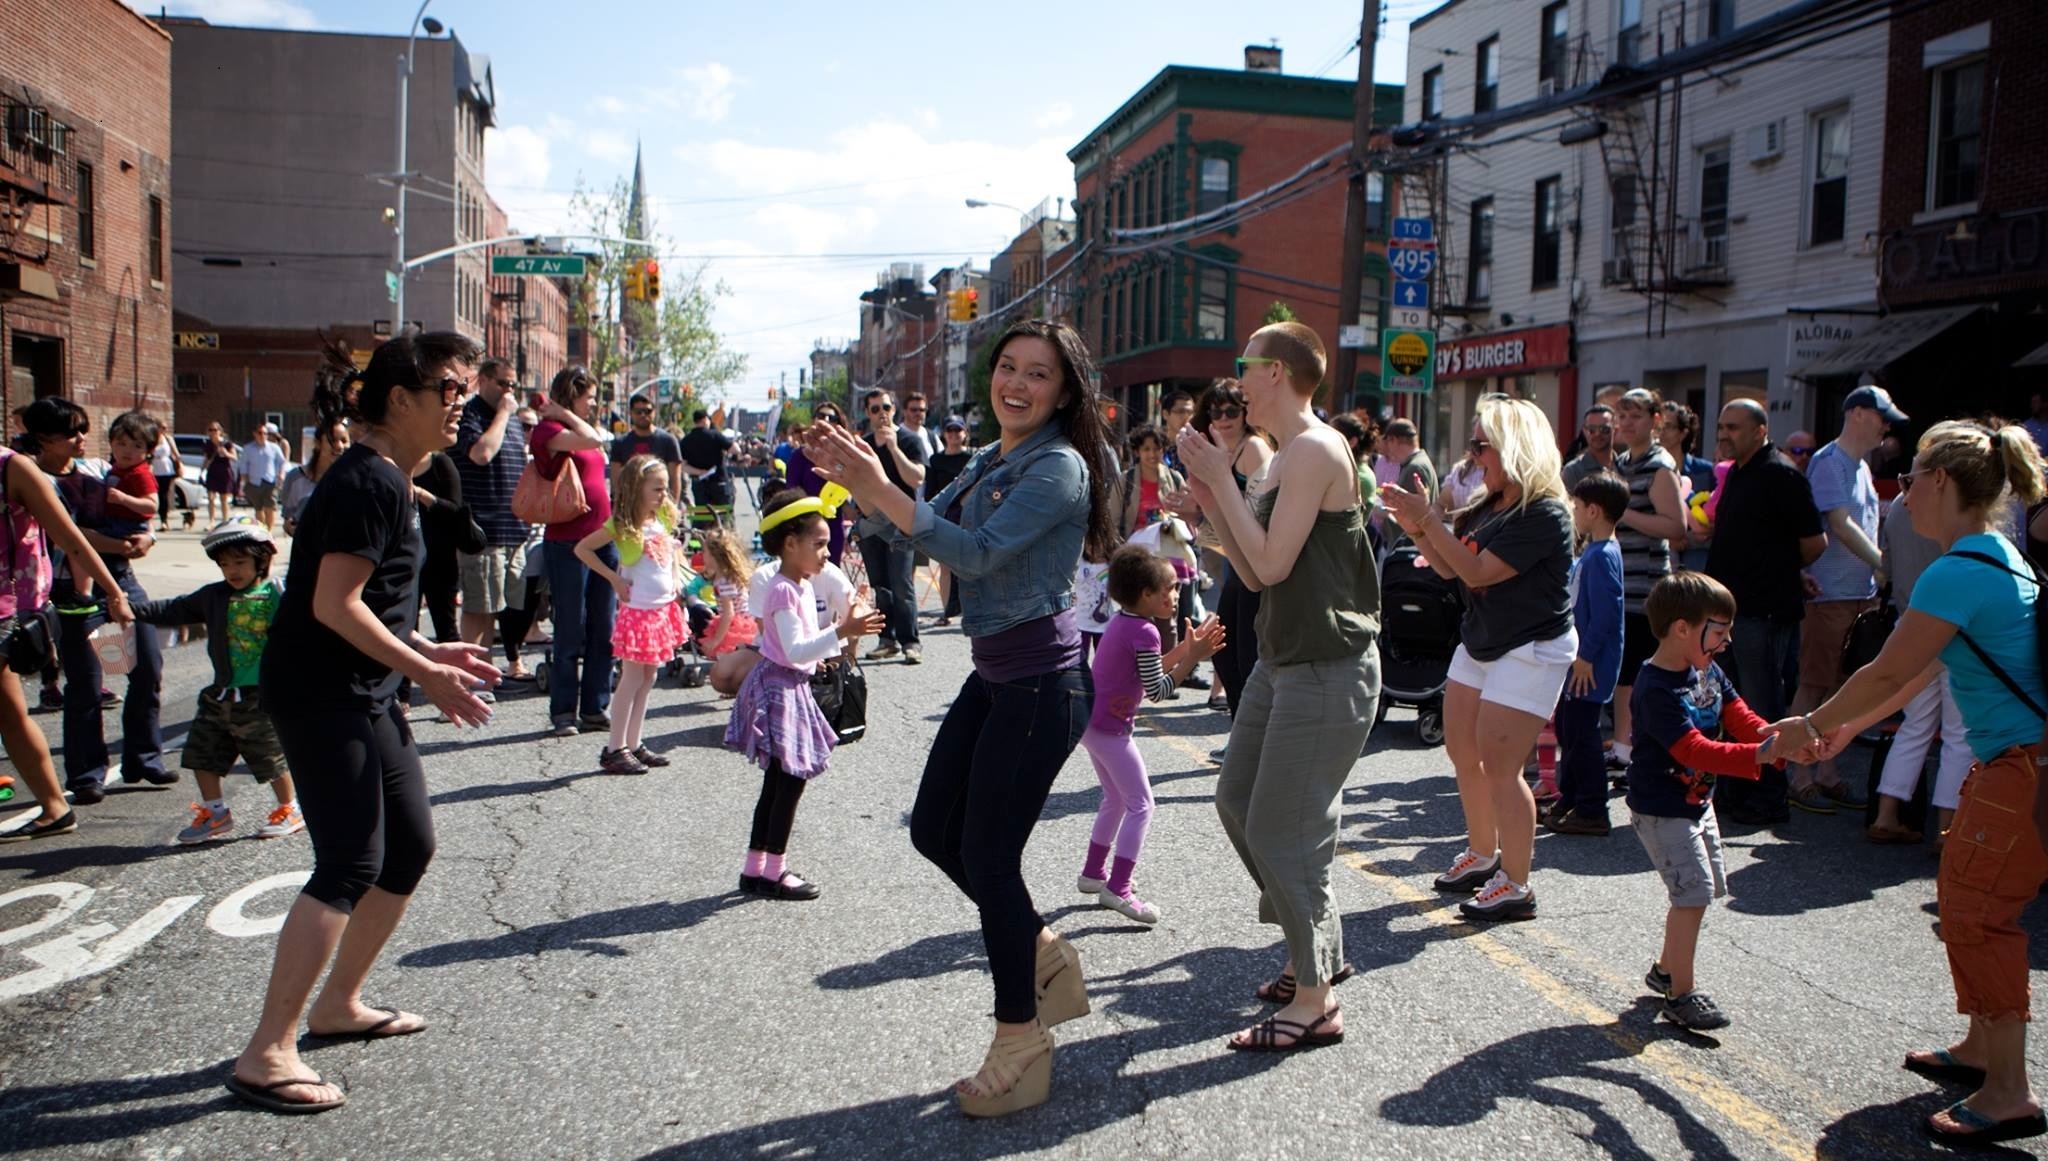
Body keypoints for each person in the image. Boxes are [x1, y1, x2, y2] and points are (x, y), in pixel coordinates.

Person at [802, 318, 1118, 1117]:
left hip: (1043, 684)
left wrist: (878, 484)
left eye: (1038, 373)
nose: (1016, 383)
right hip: (997, 674)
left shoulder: (1061, 467)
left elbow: (972, 553)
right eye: (1008, 366)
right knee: (934, 831)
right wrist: (858, 480)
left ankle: (1021, 1033)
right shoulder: (991, 456)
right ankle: (1041, 948)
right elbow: (915, 522)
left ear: (1065, 392)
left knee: (989, 853)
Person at [229, 329, 500, 1115]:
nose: (461, 405)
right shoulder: (368, 483)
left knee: (408, 845)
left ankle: (338, 1002)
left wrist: (424, 647)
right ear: (400, 399)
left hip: (366, 688)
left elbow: (371, 601)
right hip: (323, 691)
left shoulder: (395, 480)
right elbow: (332, 604)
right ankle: (266, 1051)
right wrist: (428, 672)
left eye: (466, 391)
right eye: (450, 390)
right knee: (350, 861)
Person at [1784, 420, 2048, 1148]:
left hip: (2017, 770)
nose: (1901, 495)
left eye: (1910, 479)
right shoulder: (1997, 556)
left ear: (1939, 481)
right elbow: (1925, 667)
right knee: (1966, 902)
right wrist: (1844, 727)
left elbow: (1888, 670)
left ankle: (2009, 1091)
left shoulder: (1956, 570)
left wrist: (1809, 725)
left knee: (1980, 917)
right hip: (2016, 766)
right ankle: (1981, 1049)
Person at [1179, 321, 1379, 1051]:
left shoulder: (1317, 448)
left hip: (1327, 664)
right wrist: (1210, 496)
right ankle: (1313, 948)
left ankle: (1316, 999)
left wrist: (1220, 482)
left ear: (1276, 372)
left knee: (1282, 828)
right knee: (1237, 800)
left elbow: (1268, 565)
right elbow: (1249, 565)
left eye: (1245, 363)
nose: (1236, 379)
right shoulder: (1285, 455)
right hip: (1282, 658)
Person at [1383, 395, 1575, 921]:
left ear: (1514, 447)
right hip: (1484, 639)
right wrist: (1418, 525)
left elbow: (1477, 572)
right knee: (1463, 751)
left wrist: (1427, 519)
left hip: (1530, 647)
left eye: (1481, 445)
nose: (1472, 455)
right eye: (1472, 444)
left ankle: (1516, 884)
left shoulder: (1545, 512)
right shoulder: (1492, 503)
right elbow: (1449, 568)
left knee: (1501, 766)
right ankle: (1483, 854)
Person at [1627, 572, 1785, 1031]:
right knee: (1692, 895)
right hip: (1663, 810)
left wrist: (1782, 740)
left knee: (1702, 890)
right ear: (1682, 628)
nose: (1727, 641)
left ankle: (1665, 971)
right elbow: (1693, 750)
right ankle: (1681, 995)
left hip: (1696, 803)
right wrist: (1759, 755)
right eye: (1719, 631)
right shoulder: (1655, 688)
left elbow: (1740, 716)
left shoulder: (1706, 670)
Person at [726, 488, 884, 901]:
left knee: (779, 782)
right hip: (782, 688)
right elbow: (795, 650)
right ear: (790, 544)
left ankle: (755, 868)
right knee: (788, 783)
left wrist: (845, 625)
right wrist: (844, 630)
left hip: (787, 684)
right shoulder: (783, 589)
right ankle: (774, 871)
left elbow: (802, 647)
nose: (827, 554)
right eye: (819, 544)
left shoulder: (795, 585)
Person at [22, 398, 172, 800]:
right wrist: (121, 545)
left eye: (83, 429)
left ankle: (144, 758)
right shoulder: (31, 478)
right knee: (87, 684)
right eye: (70, 432)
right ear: (43, 438)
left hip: (120, 580)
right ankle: (87, 774)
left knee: (144, 666)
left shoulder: (96, 470)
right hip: (73, 590)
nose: (80, 438)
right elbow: (69, 536)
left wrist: (147, 538)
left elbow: (139, 514)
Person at [1076, 545, 1223, 925]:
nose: (1175, 594)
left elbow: (1149, 669)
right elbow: (1157, 690)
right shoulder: (1145, 631)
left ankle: (1093, 873)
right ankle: (1118, 888)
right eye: (1169, 588)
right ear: (1146, 595)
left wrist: (1186, 649)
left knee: (1114, 798)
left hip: (1092, 723)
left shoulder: (1124, 621)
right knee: (1142, 805)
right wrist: (1192, 658)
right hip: (1111, 729)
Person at [0, 434, 137, 841]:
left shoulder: (12, 468)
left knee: (11, 714)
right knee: (10, 714)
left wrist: (113, 592)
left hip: (7, 610)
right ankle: (55, 808)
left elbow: (70, 537)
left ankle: (56, 806)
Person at [134, 519, 304, 845]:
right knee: (202, 753)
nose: (232, 571)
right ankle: (216, 814)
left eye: (239, 562)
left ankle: (289, 808)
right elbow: (174, 608)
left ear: (261, 560)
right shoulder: (215, 596)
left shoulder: (276, 594)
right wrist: (132, 610)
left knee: (269, 757)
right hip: (222, 694)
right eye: (225, 564)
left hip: (262, 696)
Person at [1700, 400, 1825, 826]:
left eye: (1733, 427)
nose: (1724, 434)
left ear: (1760, 431)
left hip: (1764, 612)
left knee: (1763, 707)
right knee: (1731, 706)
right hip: (1731, 613)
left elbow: (1815, 542)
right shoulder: (1737, 471)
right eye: (1721, 426)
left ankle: (1769, 797)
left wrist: (1786, 572)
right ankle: (1736, 789)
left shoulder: (1781, 473)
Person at [1787, 385, 1902, 813]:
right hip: (1830, 595)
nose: (1886, 427)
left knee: (1842, 687)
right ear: (1856, 414)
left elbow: (1862, 525)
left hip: (1858, 595)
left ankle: (1827, 772)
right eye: (1881, 417)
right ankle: (1799, 776)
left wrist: (1879, 569)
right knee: (1815, 684)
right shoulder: (1829, 461)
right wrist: (1882, 563)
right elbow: (1840, 524)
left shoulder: (1861, 467)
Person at [1867, 488, 1972, 845]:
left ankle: (1887, 814)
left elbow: (1886, 567)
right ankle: (1946, 829)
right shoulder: (1960, 506)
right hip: (1953, 629)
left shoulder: (1901, 503)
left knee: (1914, 726)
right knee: (1958, 734)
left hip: (1908, 623)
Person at [575, 454, 684, 774]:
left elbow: (672, 552)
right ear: (637, 488)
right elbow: (582, 549)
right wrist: (614, 578)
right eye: (657, 489)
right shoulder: (623, 524)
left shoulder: (661, 518)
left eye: (665, 488)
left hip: (660, 608)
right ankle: (614, 748)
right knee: (632, 677)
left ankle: (634, 743)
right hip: (638, 612)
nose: (663, 494)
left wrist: (676, 578)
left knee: (649, 677)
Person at [530, 366, 616, 738]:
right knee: (570, 629)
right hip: (567, 543)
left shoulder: (576, 427)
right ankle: (563, 711)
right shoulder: (549, 431)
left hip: (603, 540)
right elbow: (593, 441)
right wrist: (563, 413)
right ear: (571, 396)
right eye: (589, 397)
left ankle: (595, 708)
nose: (593, 404)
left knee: (604, 628)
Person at [1546, 473, 1628, 836]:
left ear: (1593, 511)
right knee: (1569, 728)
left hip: (1590, 664)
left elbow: (1607, 615)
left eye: (1577, 506)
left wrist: (1587, 656)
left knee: (1581, 733)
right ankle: (1571, 797)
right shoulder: (1596, 551)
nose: (1574, 512)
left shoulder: (1602, 556)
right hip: (1582, 661)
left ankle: (1593, 809)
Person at [1609, 388, 1686, 774]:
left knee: (1638, 674)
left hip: (1647, 590)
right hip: (1620, 586)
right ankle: (1624, 748)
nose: (1626, 423)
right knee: (1623, 675)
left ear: (1655, 421)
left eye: (1635, 416)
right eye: (1622, 416)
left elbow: (1676, 528)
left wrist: (1623, 513)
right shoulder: (1621, 462)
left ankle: (1636, 751)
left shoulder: (1659, 465)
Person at [1188, 380, 1274, 718]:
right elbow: (1219, 524)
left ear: (1245, 413)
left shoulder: (1254, 448)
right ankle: (1242, 726)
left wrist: (1208, 502)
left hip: (1256, 562)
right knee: (1225, 652)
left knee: (1244, 654)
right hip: (1237, 559)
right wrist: (1195, 509)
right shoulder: (1219, 452)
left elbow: (1258, 515)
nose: (1223, 418)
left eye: (1231, 411)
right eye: (1216, 411)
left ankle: (1249, 728)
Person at [452, 357, 534, 681]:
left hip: (513, 529)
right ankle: (472, 678)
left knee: (503, 607)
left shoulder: (511, 419)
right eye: (502, 383)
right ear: (483, 380)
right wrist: (502, 414)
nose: (508, 390)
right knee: (479, 608)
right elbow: (481, 453)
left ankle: (488, 674)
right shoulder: (470, 415)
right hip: (482, 529)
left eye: (512, 384)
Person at [856, 389, 928, 664]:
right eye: (875, 409)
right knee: (881, 586)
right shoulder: (863, 445)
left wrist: (894, 448)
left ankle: (911, 642)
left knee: (901, 584)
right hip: (872, 523)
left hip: (901, 523)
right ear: (867, 413)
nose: (881, 413)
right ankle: (887, 640)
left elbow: (917, 478)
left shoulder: (909, 440)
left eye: (886, 407)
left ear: (894, 409)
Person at [782, 402, 851, 564]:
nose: (825, 420)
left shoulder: (843, 455)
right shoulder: (800, 455)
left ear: (838, 424)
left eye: (831, 418)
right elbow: (792, 492)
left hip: (833, 525)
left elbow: (850, 484)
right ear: (813, 421)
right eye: (821, 416)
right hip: (806, 525)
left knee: (831, 573)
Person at [410, 450, 466, 645]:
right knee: (406, 629)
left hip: (440, 558)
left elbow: (454, 510)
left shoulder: (440, 463)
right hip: (406, 558)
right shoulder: (394, 464)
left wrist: (421, 494)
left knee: (447, 629)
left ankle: (456, 665)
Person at [925, 416, 973, 626]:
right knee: (945, 567)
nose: (954, 434)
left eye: (957, 430)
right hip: (944, 517)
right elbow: (930, 492)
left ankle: (971, 611)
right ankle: (947, 612)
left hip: (968, 517)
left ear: (965, 433)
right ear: (944, 434)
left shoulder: (973, 459)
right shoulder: (935, 460)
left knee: (970, 566)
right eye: (950, 430)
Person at [695, 526, 758, 659]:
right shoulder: (727, 575)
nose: (702, 555)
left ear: (714, 556)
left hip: (736, 626)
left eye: (704, 552)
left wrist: (716, 640)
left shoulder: (723, 582)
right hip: (742, 621)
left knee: (726, 657)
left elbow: (729, 613)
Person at [280, 419, 351, 538]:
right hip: (306, 547)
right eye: (332, 440)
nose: (339, 446)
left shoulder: (353, 480)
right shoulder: (295, 477)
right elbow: (288, 521)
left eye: (344, 441)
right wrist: (291, 528)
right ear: (318, 444)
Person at [612, 392, 684, 498]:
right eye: (638, 412)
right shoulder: (620, 443)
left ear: (654, 412)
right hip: (631, 503)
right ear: (630, 413)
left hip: (661, 501)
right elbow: (616, 481)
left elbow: (675, 478)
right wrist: (618, 503)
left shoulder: (668, 441)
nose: (643, 415)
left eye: (647, 411)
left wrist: (673, 505)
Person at [1119, 424, 1183, 535]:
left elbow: (1187, 516)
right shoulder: (1125, 480)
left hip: (1167, 543)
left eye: (1156, 449)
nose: (1152, 454)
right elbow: (1113, 520)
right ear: (1137, 452)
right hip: (1134, 544)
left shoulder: (1175, 478)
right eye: (1146, 449)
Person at [679, 408, 736, 523]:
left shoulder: (686, 440)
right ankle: (726, 531)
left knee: (702, 516)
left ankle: (700, 533)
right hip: (719, 481)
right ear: (705, 420)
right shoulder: (715, 435)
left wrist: (700, 472)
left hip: (699, 483)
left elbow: (683, 466)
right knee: (725, 515)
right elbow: (735, 449)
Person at [239, 424, 287, 533]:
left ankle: (269, 532)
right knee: (258, 509)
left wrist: (281, 474)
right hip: (254, 482)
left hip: (270, 482)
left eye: (265, 433)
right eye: (260, 433)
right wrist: (244, 480)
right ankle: (262, 530)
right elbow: (243, 465)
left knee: (270, 508)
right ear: (255, 434)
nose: (262, 435)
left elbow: (282, 462)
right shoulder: (248, 448)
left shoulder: (274, 448)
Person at [1561, 404, 1618, 494]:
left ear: (1615, 430)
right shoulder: (1573, 471)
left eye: (1604, 429)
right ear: (1584, 431)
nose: (1597, 434)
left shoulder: (1624, 465)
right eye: (1592, 430)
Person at [202, 421, 237, 524]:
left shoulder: (227, 443)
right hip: (212, 471)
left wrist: (226, 453)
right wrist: (202, 470)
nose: (213, 432)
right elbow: (206, 459)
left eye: (215, 430)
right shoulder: (208, 444)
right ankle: (211, 521)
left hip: (224, 471)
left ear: (220, 431)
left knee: (223, 498)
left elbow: (235, 457)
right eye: (210, 430)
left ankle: (225, 520)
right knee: (211, 498)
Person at [149, 427, 179, 531]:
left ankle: (164, 521)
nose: (163, 430)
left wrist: (179, 464)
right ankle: (151, 521)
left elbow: (176, 453)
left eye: (165, 428)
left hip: (166, 469)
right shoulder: (152, 439)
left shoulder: (168, 439)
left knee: (164, 495)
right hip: (154, 469)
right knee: (155, 494)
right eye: (161, 428)